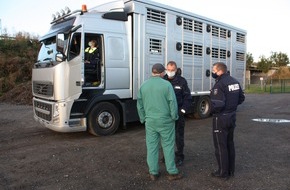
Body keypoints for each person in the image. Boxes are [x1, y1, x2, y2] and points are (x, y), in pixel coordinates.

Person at [137, 63, 183, 181]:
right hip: (166, 121)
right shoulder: (167, 85)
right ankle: (172, 172)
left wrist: (143, 118)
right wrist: (174, 116)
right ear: (162, 73)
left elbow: (140, 105)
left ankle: (153, 172)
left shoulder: (143, 85)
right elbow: (172, 102)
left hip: (150, 121)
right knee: (168, 145)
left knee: (152, 146)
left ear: (152, 72)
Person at [210, 62, 245, 179]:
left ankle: (222, 172)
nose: (212, 72)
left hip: (221, 118)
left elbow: (218, 104)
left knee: (220, 146)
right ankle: (231, 170)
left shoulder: (219, 85)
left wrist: (212, 110)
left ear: (219, 71)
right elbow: (241, 98)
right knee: (230, 144)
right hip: (232, 116)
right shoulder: (234, 81)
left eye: (213, 70)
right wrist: (232, 106)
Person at [163, 61, 192, 166]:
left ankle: (179, 156)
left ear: (176, 70)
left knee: (179, 136)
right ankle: (167, 155)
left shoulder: (181, 81)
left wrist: (182, 111)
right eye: (168, 70)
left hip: (178, 113)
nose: (170, 72)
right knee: (166, 136)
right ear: (166, 69)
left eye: (172, 70)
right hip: (165, 114)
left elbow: (188, 98)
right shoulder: (162, 80)